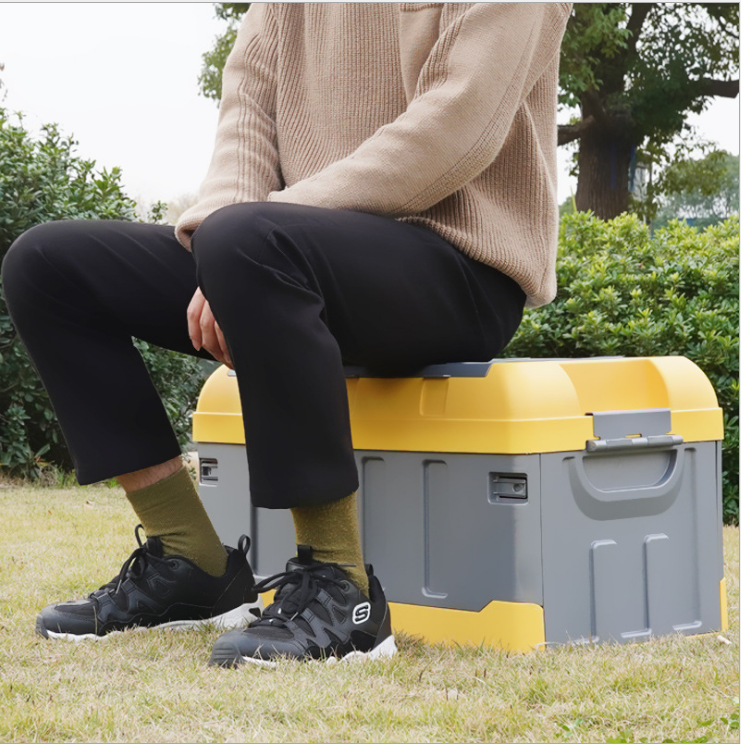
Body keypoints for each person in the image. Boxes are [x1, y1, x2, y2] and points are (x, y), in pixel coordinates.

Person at [2, 3, 571, 666]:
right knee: (48, 266)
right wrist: (218, 254)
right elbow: (245, 126)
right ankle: (189, 561)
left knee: (244, 238)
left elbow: (456, 128)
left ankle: (343, 590)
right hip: (282, 253)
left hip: (458, 268)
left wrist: (244, 244)